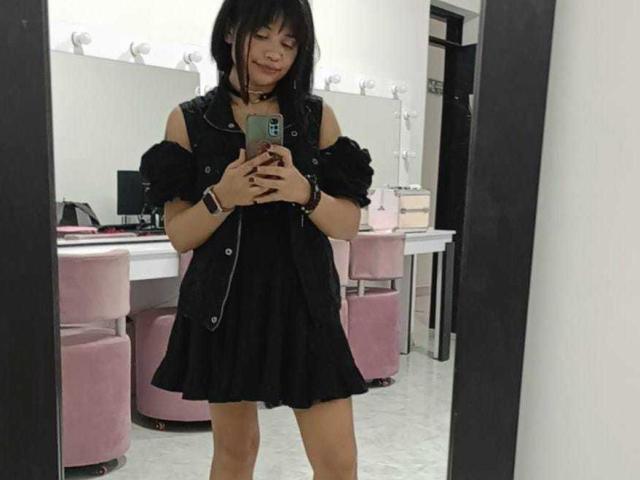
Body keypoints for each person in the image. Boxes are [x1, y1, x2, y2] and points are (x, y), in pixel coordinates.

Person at [139, 0, 374, 478]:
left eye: (289, 43)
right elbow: (179, 235)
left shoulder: (315, 118)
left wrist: (304, 192)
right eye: (263, 35)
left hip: (304, 305)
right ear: (230, 31)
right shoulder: (190, 120)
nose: (275, 54)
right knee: (236, 451)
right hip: (225, 306)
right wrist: (222, 197)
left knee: (337, 462)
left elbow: (347, 225)